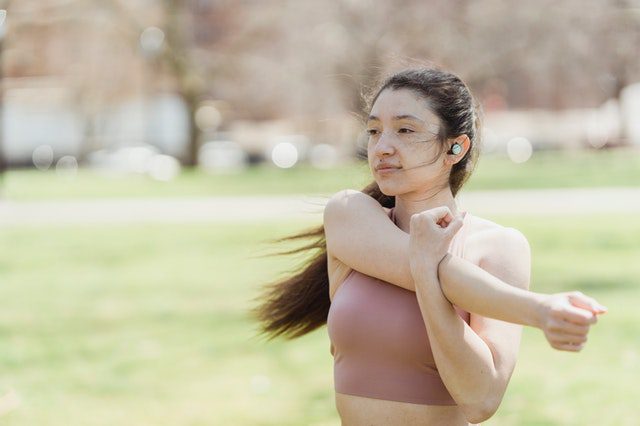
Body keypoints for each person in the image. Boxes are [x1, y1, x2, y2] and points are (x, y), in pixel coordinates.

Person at [252, 67, 607, 425]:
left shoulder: (498, 247)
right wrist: (538, 310)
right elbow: (428, 268)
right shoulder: (348, 214)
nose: (382, 147)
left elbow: (480, 401)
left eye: (405, 130)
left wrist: (426, 275)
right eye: (374, 131)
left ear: (456, 146)